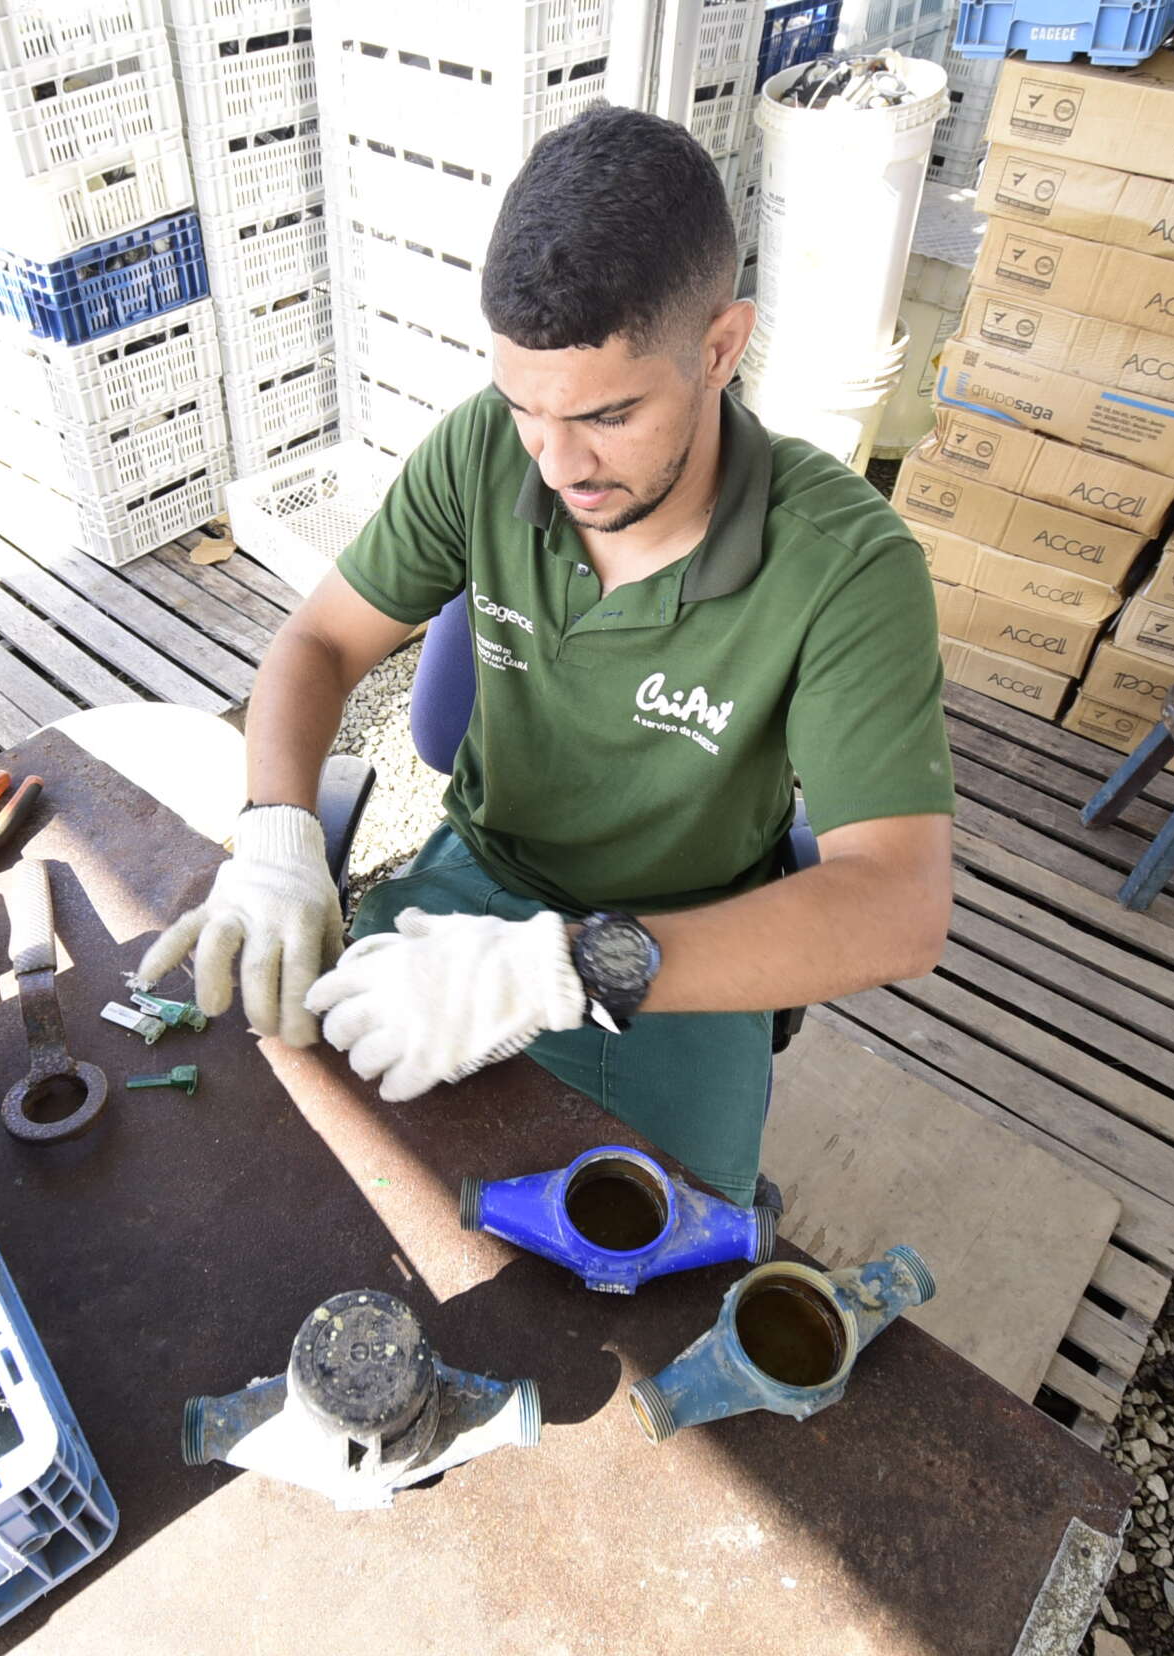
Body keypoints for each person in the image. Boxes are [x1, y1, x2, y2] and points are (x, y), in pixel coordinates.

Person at [137, 106, 955, 1205]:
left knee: (658, 1253)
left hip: (682, 943)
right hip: (475, 884)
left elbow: (898, 905)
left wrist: (566, 966)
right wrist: (279, 839)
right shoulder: (484, 445)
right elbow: (323, 640)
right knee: (294, 1165)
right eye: (528, 406)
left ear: (719, 348)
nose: (558, 463)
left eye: (608, 415)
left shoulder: (845, 567)